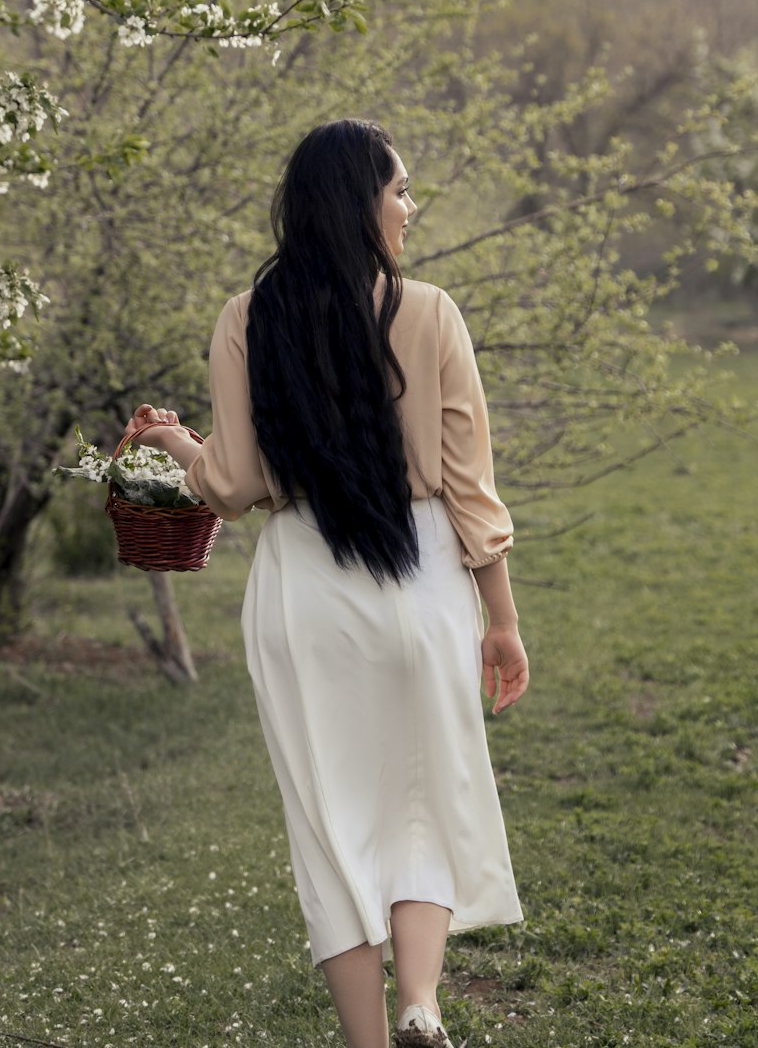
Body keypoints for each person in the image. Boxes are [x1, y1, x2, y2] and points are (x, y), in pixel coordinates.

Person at [122, 119, 529, 1048]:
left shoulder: (247, 317)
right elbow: (471, 491)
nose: (409, 207)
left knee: (329, 819)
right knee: (426, 791)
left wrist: (177, 443)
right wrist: (500, 620)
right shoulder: (430, 312)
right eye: (399, 191)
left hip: (303, 582)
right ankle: (421, 1004)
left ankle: (368, 1040)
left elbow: (231, 485)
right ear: (358, 202)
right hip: (420, 570)